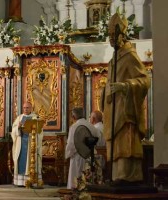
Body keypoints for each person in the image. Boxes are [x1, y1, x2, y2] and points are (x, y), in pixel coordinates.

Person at [101, 13, 150, 185]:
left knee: (126, 143)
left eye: (114, 36)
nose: (112, 39)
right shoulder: (114, 59)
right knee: (116, 144)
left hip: (125, 110)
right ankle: (117, 176)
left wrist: (125, 86)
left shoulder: (130, 55)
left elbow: (144, 80)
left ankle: (129, 175)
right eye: (110, 36)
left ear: (123, 36)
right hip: (113, 109)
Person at [11, 102, 43, 186]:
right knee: (21, 161)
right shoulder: (19, 118)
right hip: (21, 143)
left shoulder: (35, 118)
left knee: (31, 161)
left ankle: (32, 180)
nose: (25, 109)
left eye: (27, 107)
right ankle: (21, 182)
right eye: (24, 107)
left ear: (31, 108)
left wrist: (32, 133)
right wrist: (17, 127)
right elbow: (13, 130)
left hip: (30, 142)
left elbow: (40, 131)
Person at [65, 107, 98, 189]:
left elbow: (71, 144)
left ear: (73, 117)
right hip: (90, 156)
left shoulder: (74, 127)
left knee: (76, 180)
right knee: (87, 178)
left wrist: (67, 154)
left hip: (77, 156)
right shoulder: (92, 126)